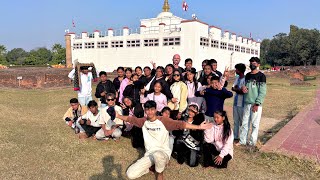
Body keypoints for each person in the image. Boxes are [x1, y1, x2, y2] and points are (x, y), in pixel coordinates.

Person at [116, 100, 212, 180]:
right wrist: (118, 116)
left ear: (156, 110)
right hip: (150, 154)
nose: (150, 112)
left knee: (158, 156)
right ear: (145, 111)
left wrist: (199, 126)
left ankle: (159, 173)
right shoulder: (143, 121)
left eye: (152, 110)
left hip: (163, 153)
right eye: (147, 110)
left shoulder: (163, 120)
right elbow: (130, 119)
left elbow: (181, 124)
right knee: (130, 174)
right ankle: (148, 168)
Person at [238, 57, 267, 147]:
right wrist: (243, 88)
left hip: (255, 104)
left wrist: (257, 104)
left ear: (258, 65)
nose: (252, 65)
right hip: (247, 103)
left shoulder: (261, 76)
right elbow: (245, 87)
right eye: (251, 63)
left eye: (254, 63)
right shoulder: (247, 75)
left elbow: (262, 92)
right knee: (245, 123)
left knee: (254, 124)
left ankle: (252, 143)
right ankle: (242, 141)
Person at [231, 63, 246, 142]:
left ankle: (243, 138)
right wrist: (237, 89)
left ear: (240, 70)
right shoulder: (237, 78)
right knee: (236, 121)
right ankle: (235, 136)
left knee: (242, 122)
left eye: (236, 69)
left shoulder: (245, 79)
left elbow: (243, 91)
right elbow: (233, 88)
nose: (235, 70)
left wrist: (237, 89)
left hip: (242, 104)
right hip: (235, 103)